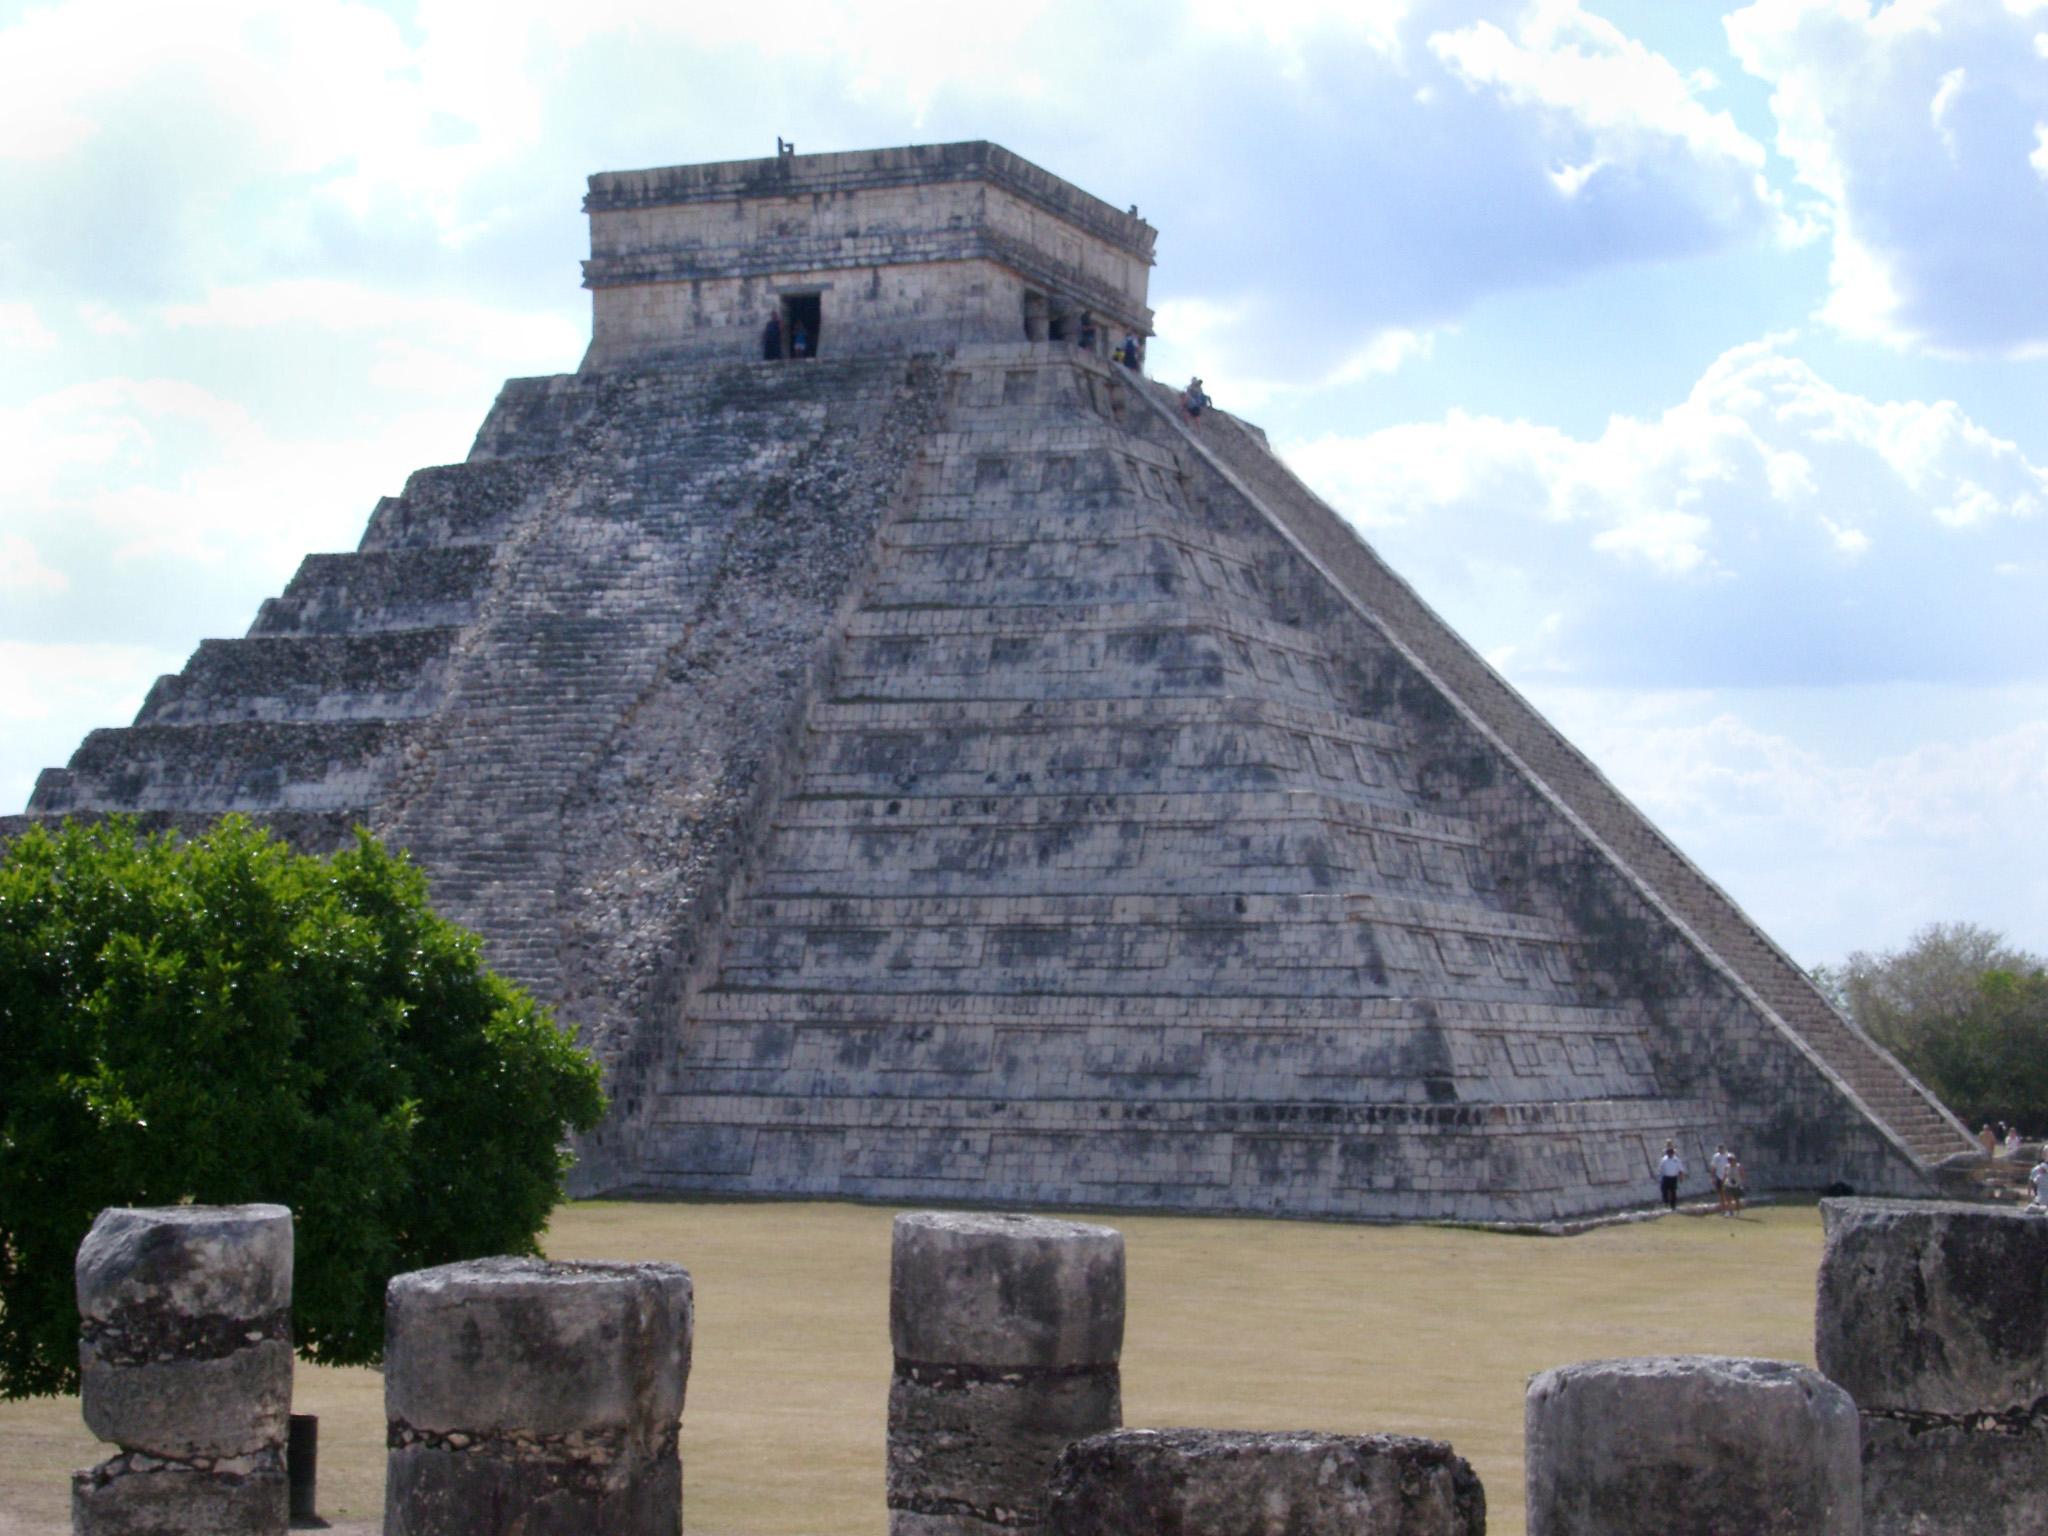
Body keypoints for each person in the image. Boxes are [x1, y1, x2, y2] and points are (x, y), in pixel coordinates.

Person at [1656, 1141, 1686, 1211]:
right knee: (1664, 1190)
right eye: (1668, 1152)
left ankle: (1673, 1206)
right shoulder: (1664, 1159)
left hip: (1673, 1178)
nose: (1669, 1154)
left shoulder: (1676, 1160)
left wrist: (1681, 1177)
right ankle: (1666, 1202)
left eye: (1671, 1152)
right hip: (1666, 1177)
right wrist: (1659, 1176)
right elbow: (1660, 1168)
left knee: (1673, 1192)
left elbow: (1681, 1169)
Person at [1710, 1144, 1733, 1215]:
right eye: (1719, 1149)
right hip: (1719, 1176)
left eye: (1722, 1148)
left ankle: (1730, 1210)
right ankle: (1723, 1210)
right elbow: (1713, 1168)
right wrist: (1713, 1177)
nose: (1720, 1150)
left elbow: (1732, 1166)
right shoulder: (1716, 1157)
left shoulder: (1729, 1156)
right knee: (1721, 1194)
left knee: (1728, 1194)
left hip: (1727, 1177)